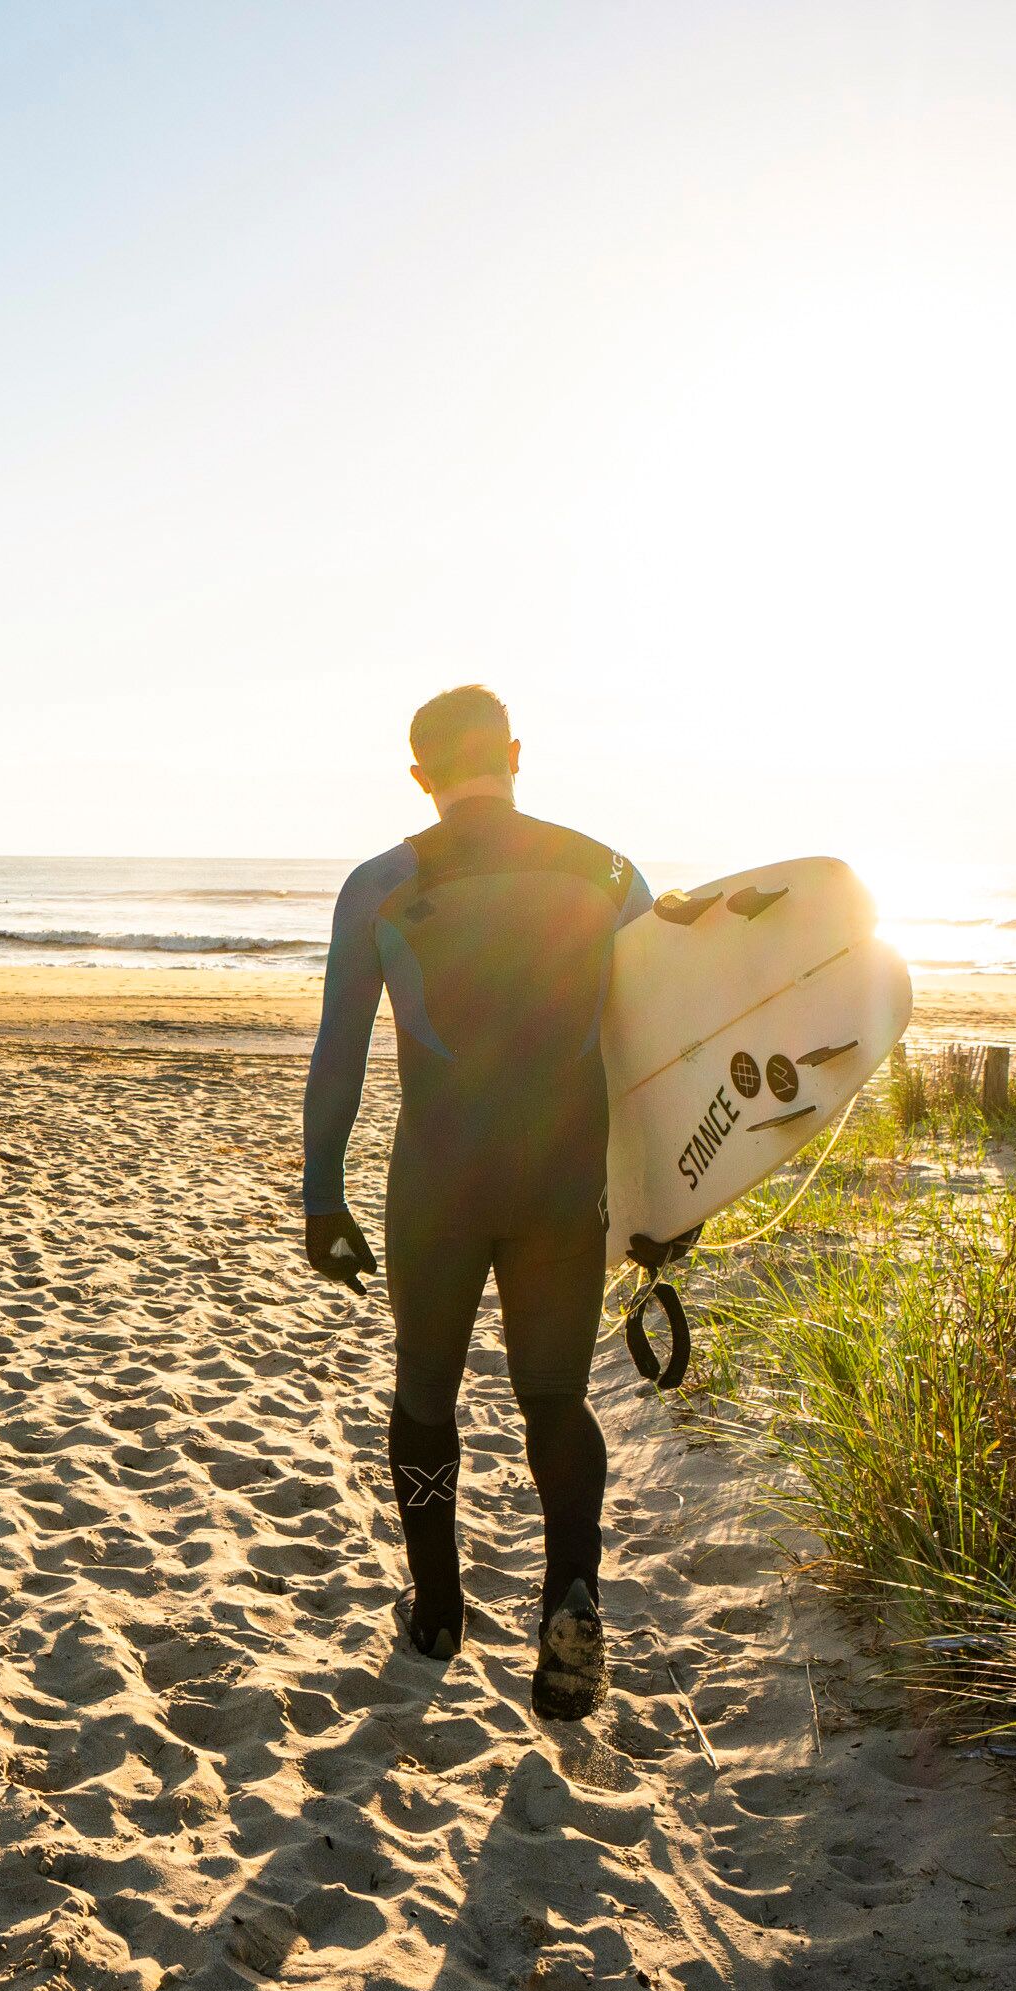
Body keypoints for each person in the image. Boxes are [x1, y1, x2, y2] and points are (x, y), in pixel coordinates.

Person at [300, 685, 649, 1720]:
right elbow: (663, 1050)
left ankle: (441, 1607)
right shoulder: (612, 874)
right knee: (555, 1398)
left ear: (420, 775)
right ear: (515, 753)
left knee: (425, 1398)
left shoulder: (379, 884)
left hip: (438, 1185)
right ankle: (570, 1595)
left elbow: (337, 1057)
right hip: (563, 1185)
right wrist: (673, 1189)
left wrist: (323, 1197)